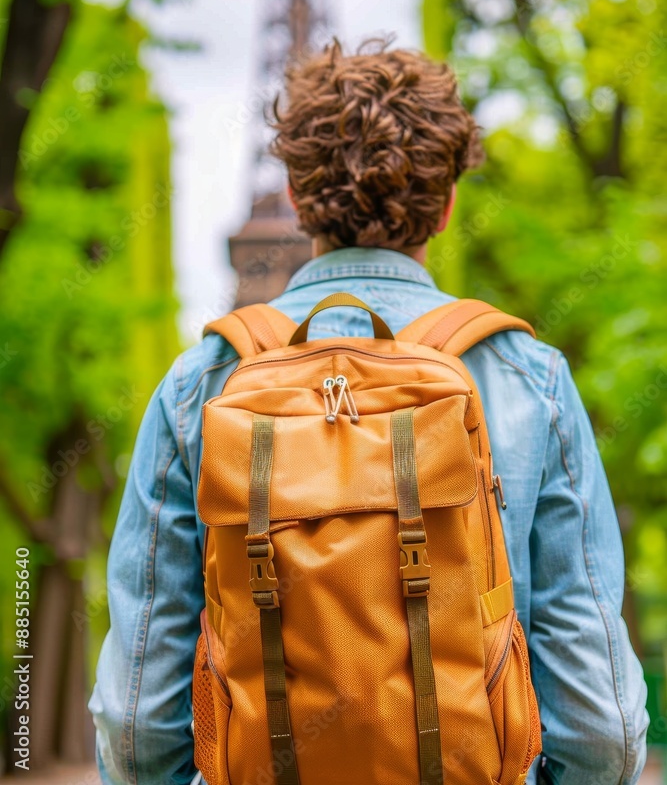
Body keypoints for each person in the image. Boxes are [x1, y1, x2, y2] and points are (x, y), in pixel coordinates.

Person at [90, 41, 649, 785]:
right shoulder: (529, 378)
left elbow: (135, 723)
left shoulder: (201, 383)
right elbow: (602, 730)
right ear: (447, 206)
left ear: (295, 198)